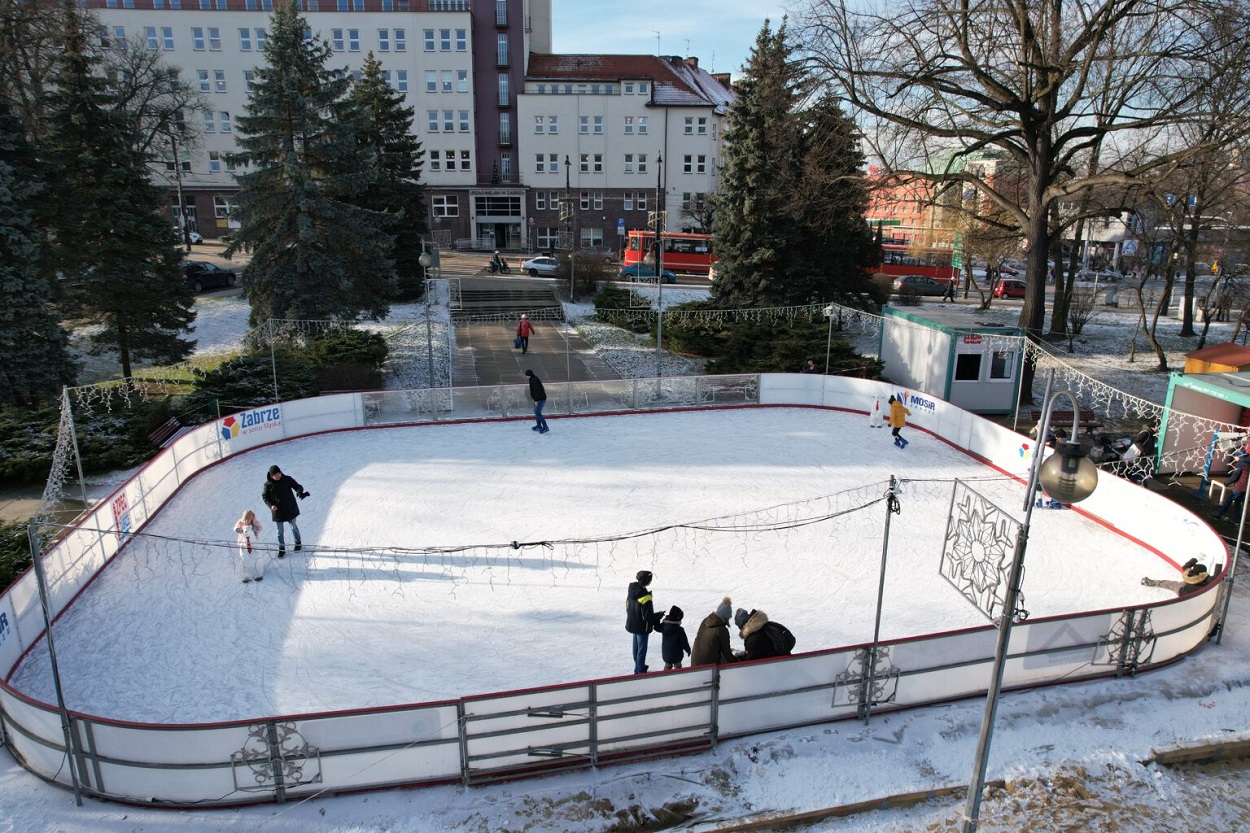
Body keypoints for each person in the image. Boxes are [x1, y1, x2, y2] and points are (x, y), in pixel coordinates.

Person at [262, 464, 309, 557]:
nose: (277, 476)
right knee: (279, 531)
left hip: (289, 508)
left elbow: (297, 486)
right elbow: (265, 497)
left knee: (293, 527)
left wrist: (300, 492)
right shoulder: (268, 485)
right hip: (278, 511)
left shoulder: (287, 479)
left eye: (278, 473)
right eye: (275, 475)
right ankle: (282, 548)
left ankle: (298, 543)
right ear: (271, 476)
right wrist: (271, 505)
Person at [625, 570, 659, 674]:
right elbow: (648, 617)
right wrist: (658, 616)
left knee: (636, 649)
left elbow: (627, 606)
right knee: (641, 650)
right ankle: (639, 671)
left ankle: (638, 667)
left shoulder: (632, 590)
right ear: (648, 581)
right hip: (642, 627)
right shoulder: (646, 597)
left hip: (632, 623)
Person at [691, 597, 736, 666]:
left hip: (695, 663)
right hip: (709, 667)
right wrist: (738, 662)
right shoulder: (722, 630)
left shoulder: (705, 621)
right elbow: (726, 653)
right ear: (726, 618)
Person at [1142, 558, 1217, 597]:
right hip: (1191, 591)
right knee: (1181, 583)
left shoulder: (1189, 574)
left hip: (1183, 592)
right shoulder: (1207, 579)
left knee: (1172, 584)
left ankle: (1153, 582)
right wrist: (1219, 564)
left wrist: (1195, 559)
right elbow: (1216, 578)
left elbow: (1186, 567)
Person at [1213, 446, 1250, 520]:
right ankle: (1237, 519)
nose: (1235, 458)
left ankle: (1218, 515)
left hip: (1239, 487)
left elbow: (1235, 476)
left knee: (1228, 501)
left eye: (1236, 456)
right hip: (1246, 488)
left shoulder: (1241, 463)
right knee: (1237, 504)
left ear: (1239, 456)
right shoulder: (1247, 463)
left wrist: (1226, 483)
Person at [233, 509, 265, 583]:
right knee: (245, 558)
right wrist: (238, 530)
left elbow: (260, 528)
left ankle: (258, 573)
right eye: (245, 520)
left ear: (251, 519)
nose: (246, 521)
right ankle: (247, 575)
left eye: (248, 520)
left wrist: (255, 529)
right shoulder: (240, 522)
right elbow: (235, 528)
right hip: (243, 542)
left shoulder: (254, 522)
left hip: (253, 542)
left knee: (257, 557)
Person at [657, 605, 691, 670]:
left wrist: (658, 617)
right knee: (678, 667)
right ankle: (678, 676)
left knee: (667, 666)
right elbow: (684, 642)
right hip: (677, 656)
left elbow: (656, 627)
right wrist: (688, 650)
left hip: (666, 655)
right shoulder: (679, 630)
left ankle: (665, 676)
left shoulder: (663, 626)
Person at [524, 369, 548, 433]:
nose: (526, 376)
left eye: (526, 375)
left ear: (529, 375)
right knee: (536, 412)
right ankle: (539, 425)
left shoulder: (534, 380)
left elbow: (537, 391)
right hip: (538, 399)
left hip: (540, 399)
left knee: (537, 413)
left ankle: (545, 427)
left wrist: (536, 400)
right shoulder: (532, 379)